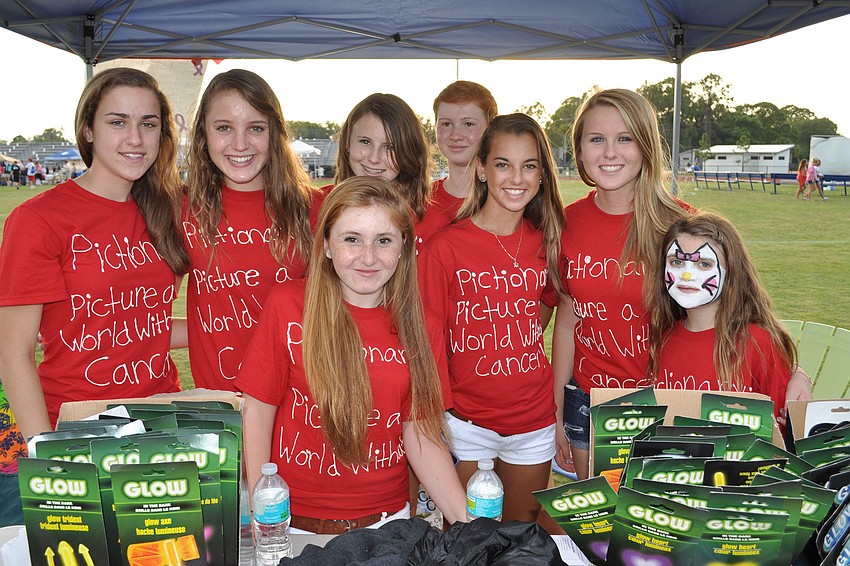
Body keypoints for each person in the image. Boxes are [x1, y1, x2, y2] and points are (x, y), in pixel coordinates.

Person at [236, 176, 467, 533]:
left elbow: (420, 432)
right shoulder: (288, 305)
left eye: (384, 240)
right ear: (326, 244)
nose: (369, 257)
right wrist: (259, 508)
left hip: (385, 524)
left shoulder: (423, 325)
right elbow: (258, 410)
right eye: (352, 239)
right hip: (292, 523)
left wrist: (468, 524)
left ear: (404, 246)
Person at [0, 67, 189, 440]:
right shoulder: (38, 219)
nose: (135, 138)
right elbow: (14, 353)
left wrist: (246, 327)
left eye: (148, 124)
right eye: (118, 122)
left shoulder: (170, 211)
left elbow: (140, 327)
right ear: (88, 129)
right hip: (77, 424)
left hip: (162, 416)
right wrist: (47, 451)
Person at [419, 113, 565, 525]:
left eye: (529, 166)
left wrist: (515, 333)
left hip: (532, 422)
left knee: (519, 538)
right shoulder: (444, 247)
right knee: (468, 540)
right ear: (481, 169)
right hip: (466, 422)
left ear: (541, 176)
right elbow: (428, 338)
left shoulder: (546, 242)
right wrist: (438, 417)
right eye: (503, 164)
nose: (515, 178)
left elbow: (549, 302)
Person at [547, 88, 689, 480]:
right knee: (597, 531)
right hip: (588, 402)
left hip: (664, 402)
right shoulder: (566, 222)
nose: (610, 153)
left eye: (624, 138)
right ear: (579, 149)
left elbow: (732, 315)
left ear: (645, 145)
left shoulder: (682, 226)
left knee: (657, 530)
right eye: (597, 139)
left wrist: (792, 370)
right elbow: (567, 319)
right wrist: (557, 411)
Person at [182, 69, 315, 390]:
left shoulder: (315, 208)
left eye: (256, 128)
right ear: (203, 134)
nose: (240, 144)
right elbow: (146, 309)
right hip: (221, 411)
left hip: (298, 407)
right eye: (224, 128)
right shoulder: (181, 208)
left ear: (276, 134)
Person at [647, 211, 803, 421]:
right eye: (676, 262)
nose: (686, 274)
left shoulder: (758, 342)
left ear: (732, 271)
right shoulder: (661, 338)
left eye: (704, 264)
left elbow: (781, 428)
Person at [332, 93, 440, 248]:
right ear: (347, 141)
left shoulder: (434, 221)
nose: (374, 158)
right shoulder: (319, 207)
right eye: (365, 141)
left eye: (390, 147)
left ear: (408, 150)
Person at [430, 80, 498, 223]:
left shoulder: (507, 201)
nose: (455, 135)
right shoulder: (417, 202)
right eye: (446, 124)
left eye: (468, 124)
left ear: (490, 129)